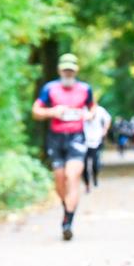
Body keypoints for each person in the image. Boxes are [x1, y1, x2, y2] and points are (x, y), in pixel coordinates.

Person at [32, 53, 96, 240]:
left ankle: (67, 222)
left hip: (76, 136)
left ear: (75, 71)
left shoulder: (85, 89)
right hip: (56, 138)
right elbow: (36, 111)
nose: (68, 73)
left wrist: (89, 115)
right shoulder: (49, 89)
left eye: (71, 70)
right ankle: (67, 207)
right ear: (60, 70)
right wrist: (52, 111)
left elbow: (92, 107)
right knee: (59, 180)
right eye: (65, 69)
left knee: (72, 176)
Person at [82, 102, 111, 192]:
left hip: (96, 140)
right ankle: (87, 184)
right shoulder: (82, 109)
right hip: (83, 141)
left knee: (95, 163)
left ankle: (95, 178)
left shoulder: (100, 110)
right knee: (84, 165)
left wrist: (105, 130)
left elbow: (108, 119)